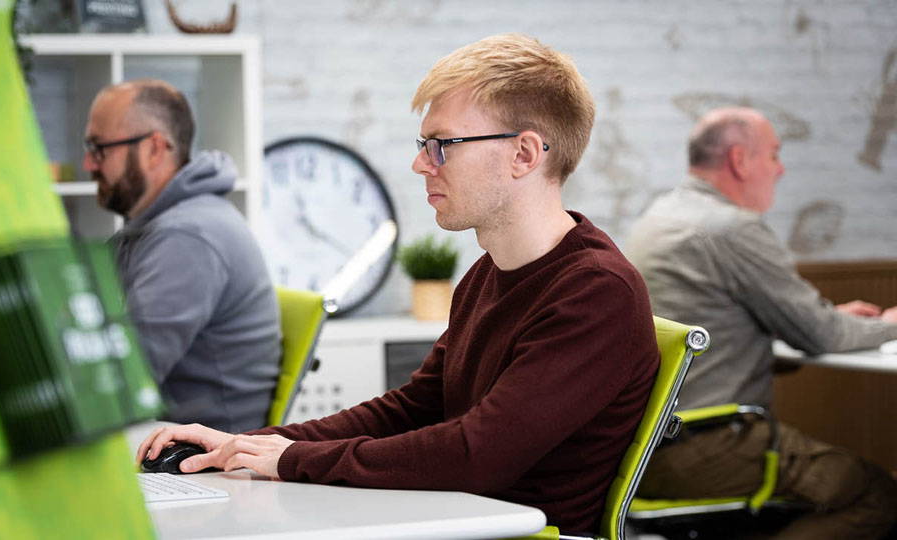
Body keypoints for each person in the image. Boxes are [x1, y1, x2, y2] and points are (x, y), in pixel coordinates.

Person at [137, 34, 660, 534]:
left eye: (442, 145)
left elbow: (478, 455)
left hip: (505, 530)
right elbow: (412, 409)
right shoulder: (488, 273)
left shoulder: (596, 292)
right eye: (423, 144)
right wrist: (243, 445)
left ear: (524, 154)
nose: (419, 164)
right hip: (450, 519)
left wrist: (293, 460)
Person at [627, 107, 897, 539]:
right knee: (878, 495)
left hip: (646, 447)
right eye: (774, 154)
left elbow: (727, 325)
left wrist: (822, 318)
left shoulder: (661, 216)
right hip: (708, 443)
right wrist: (889, 323)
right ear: (739, 160)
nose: (781, 168)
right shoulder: (730, 228)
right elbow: (820, 334)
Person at [83, 79, 281, 433]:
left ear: (154, 148)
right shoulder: (158, 226)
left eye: (99, 148)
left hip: (195, 464)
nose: (87, 164)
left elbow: (120, 383)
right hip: (156, 441)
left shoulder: (187, 236)